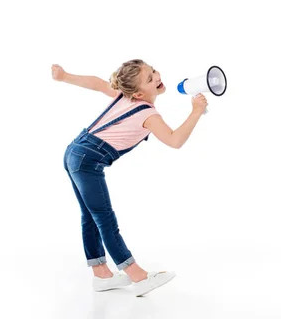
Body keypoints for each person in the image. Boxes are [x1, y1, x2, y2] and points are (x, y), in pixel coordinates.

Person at [51, 59, 207, 294]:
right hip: (86, 160)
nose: (156, 76)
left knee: (91, 217)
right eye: (149, 78)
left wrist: (65, 76)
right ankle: (138, 276)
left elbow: (96, 83)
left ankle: (101, 274)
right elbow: (175, 140)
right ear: (137, 92)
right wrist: (196, 112)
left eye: (153, 71)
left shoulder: (124, 96)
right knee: (104, 219)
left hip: (75, 152)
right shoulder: (148, 113)